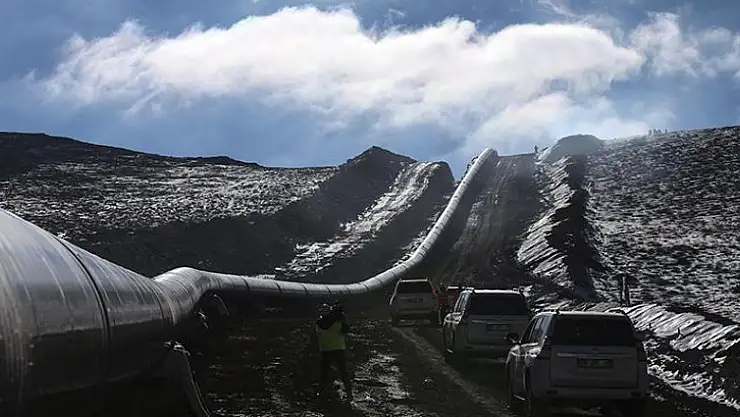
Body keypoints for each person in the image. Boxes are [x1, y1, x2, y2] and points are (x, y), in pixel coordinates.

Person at [315, 302, 353, 401]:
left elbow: (318, 335)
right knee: (343, 372)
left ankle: (321, 393)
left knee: (324, 373)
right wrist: (342, 318)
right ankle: (349, 393)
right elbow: (347, 329)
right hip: (339, 349)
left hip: (325, 350)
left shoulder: (318, 324)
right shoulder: (338, 323)